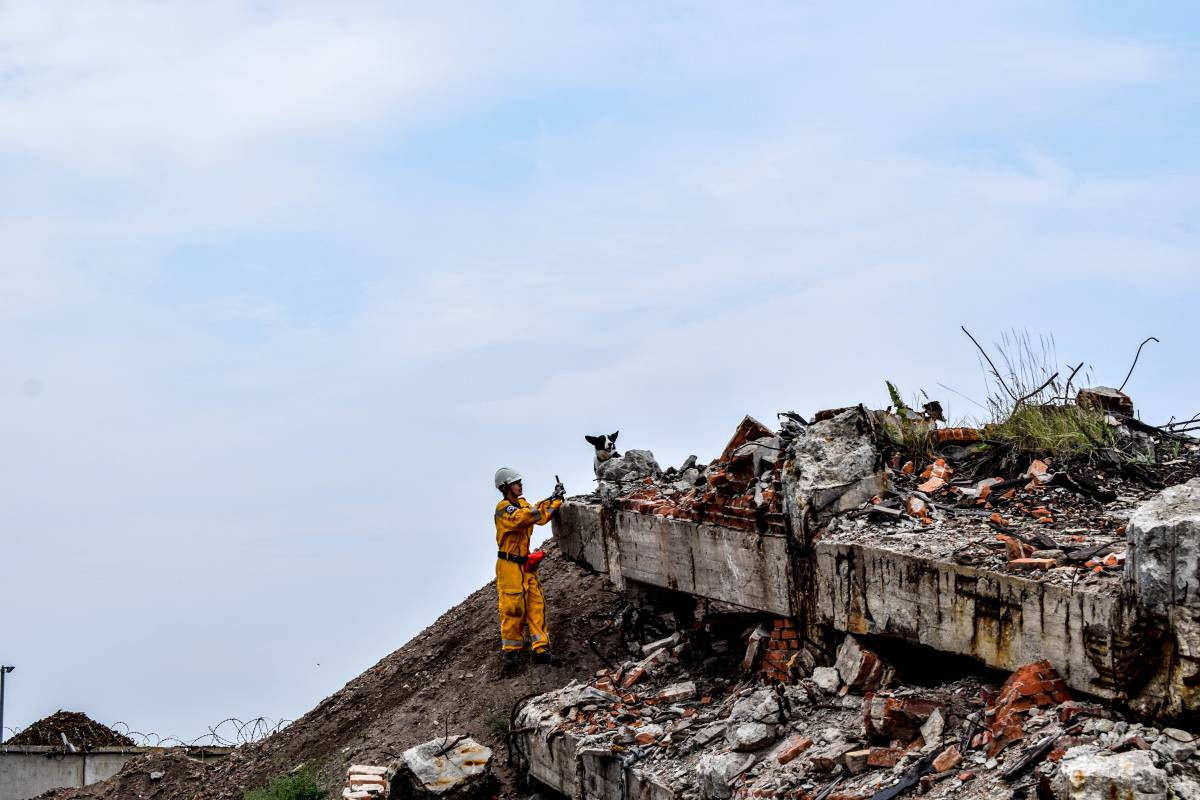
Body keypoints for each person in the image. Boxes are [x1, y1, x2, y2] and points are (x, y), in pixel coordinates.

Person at [493, 467, 564, 674]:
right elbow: (524, 518)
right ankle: (511, 656)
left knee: (535, 604)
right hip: (508, 566)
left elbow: (539, 517)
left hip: (525, 564)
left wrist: (556, 500)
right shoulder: (504, 508)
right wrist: (548, 499)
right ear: (506, 487)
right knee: (513, 608)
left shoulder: (522, 504)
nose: (520, 485)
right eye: (516, 483)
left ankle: (540, 649)